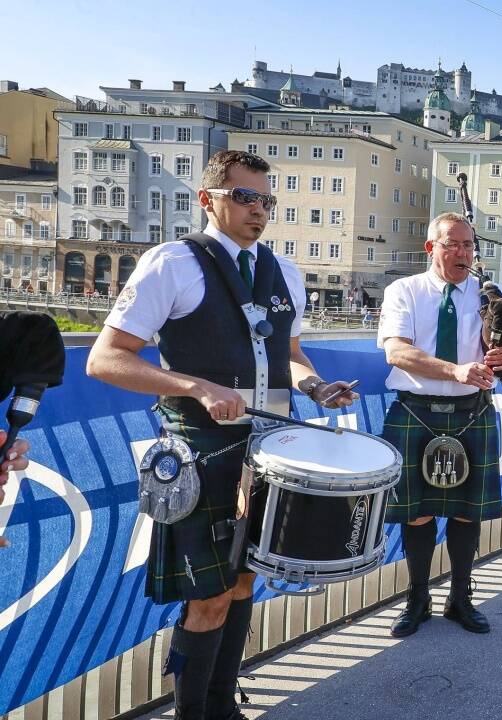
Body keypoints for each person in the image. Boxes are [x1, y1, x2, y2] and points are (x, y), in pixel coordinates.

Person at [86, 150, 357, 720]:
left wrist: (316, 387)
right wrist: (195, 386)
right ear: (208, 199)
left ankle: (221, 707)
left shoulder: (286, 272)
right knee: (205, 596)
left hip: (270, 452)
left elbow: (288, 354)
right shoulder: (173, 263)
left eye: (266, 199)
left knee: (241, 584)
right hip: (203, 454)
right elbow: (105, 360)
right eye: (244, 196)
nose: (259, 209)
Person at [378, 211, 502, 638]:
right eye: (453, 244)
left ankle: (461, 598)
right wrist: (455, 371)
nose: (463, 252)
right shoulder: (404, 291)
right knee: (415, 515)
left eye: (469, 245)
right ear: (432, 248)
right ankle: (417, 598)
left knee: (467, 515)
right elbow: (397, 353)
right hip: (415, 409)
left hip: (474, 412)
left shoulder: (491, 294)